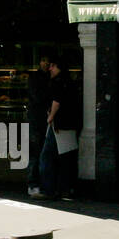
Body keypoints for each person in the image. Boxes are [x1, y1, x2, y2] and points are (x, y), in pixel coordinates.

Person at [34, 55, 80, 201]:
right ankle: (66, 190)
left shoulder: (57, 82)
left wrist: (50, 117)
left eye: (53, 66)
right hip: (69, 125)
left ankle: (47, 190)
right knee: (66, 158)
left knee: (46, 156)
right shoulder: (70, 82)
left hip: (58, 125)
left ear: (59, 67)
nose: (50, 68)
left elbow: (57, 101)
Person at [25, 52, 52, 195]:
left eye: (48, 61)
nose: (46, 64)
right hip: (37, 120)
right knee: (36, 152)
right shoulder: (35, 78)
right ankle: (33, 183)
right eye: (43, 60)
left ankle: (40, 183)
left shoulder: (48, 77)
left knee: (41, 152)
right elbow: (37, 97)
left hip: (45, 119)